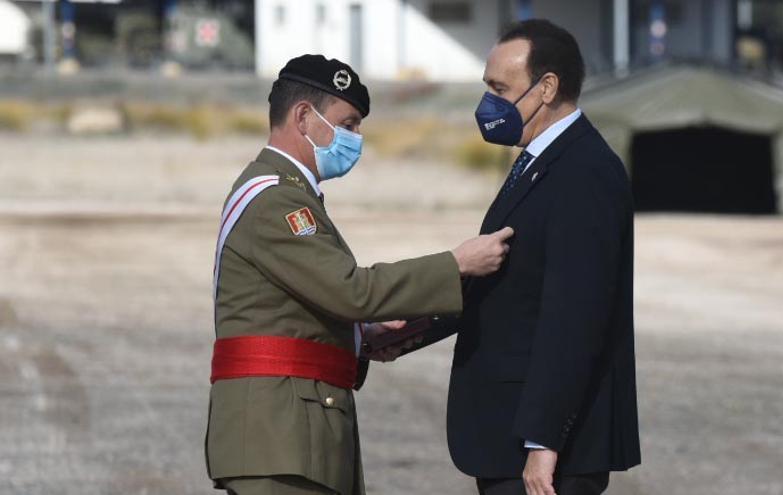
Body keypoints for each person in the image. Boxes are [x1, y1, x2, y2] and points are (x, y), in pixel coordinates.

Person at [204, 54, 514, 495]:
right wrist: (456, 264)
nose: (355, 138)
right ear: (304, 117)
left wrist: (361, 338)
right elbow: (351, 291)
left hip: (287, 429)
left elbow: (295, 309)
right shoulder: (276, 201)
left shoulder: (287, 193)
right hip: (277, 433)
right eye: (347, 124)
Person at [421, 20, 641, 495]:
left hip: (545, 451)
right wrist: (411, 329)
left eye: (501, 89)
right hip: (506, 434)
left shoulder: (585, 171)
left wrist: (543, 442)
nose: (490, 104)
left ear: (546, 88)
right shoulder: (539, 161)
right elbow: (507, 284)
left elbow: (575, 316)